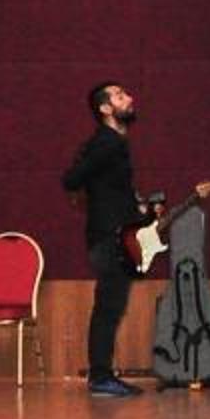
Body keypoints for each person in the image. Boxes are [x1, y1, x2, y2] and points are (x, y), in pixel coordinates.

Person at [62, 81, 142, 398]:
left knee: (111, 307)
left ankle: (102, 375)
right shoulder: (106, 143)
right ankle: (100, 377)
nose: (130, 98)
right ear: (105, 108)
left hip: (115, 236)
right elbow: (71, 179)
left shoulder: (113, 143)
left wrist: (138, 208)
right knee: (108, 309)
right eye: (120, 96)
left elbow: (107, 187)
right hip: (109, 238)